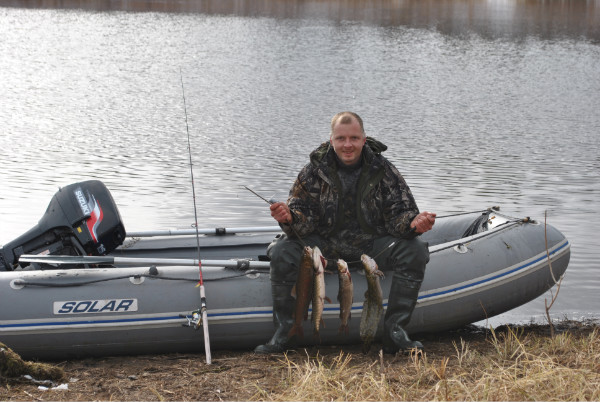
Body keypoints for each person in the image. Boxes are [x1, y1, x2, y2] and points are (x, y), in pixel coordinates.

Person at [254, 111, 436, 355]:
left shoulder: (384, 170)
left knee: (415, 250)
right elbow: (302, 220)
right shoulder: (313, 172)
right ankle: (285, 334)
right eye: (341, 138)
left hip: (372, 248)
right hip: (323, 247)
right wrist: (289, 218)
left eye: (354, 138)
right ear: (332, 140)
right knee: (281, 251)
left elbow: (399, 216)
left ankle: (395, 333)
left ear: (364, 139)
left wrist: (414, 223)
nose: (347, 145)